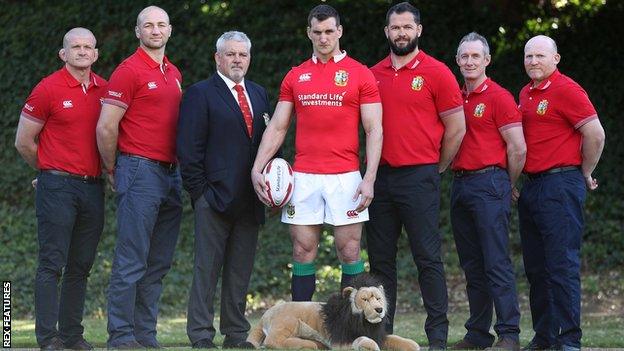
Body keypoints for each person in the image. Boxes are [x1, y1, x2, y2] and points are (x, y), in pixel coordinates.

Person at [251, 4, 383, 302]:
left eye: (329, 31)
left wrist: (370, 176)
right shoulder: (296, 75)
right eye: (317, 32)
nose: (323, 38)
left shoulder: (360, 74)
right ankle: (302, 326)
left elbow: (375, 129)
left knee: (349, 250)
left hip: (346, 176)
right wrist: (257, 168)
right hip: (304, 177)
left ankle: (350, 329)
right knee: (302, 250)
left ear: (339, 31)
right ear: (309, 33)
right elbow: (278, 128)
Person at [367, 2, 466, 349]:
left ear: (419, 30)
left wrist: (437, 165)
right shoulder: (372, 73)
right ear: (387, 32)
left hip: (420, 177)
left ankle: (437, 335)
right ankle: (384, 335)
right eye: (395, 28)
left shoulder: (438, 73)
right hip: (379, 179)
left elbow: (457, 127)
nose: (401, 33)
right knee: (380, 262)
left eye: (407, 27)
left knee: (427, 257)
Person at [96, 6, 183, 349]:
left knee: (158, 262)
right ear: (138, 32)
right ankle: (120, 336)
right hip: (139, 169)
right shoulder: (128, 71)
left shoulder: (173, 72)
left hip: (170, 174)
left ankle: (145, 334)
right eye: (148, 25)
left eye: (161, 24)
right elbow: (106, 126)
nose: (155, 30)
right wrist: (111, 168)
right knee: (132, 259)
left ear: (170, 30)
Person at [177, 31, 270, 349]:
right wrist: (200, 195)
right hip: (213, 198)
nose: (236, 60)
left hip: (251, 199)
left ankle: (235, 333)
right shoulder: (199, 94)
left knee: (239, 272)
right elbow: (188, 151)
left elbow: (269, 146)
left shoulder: (258, 94)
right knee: (207, 269)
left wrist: (274, 185)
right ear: (218, 58)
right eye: (230, 54)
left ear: (249, 58)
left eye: (242, 55)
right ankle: (201, 334)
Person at [14, 27, 106, 351]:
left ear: (95, 54)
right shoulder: (47, 89)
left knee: (81, 266)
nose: (82, 51)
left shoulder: (105, 91)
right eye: (75, 47)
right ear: (63, 54)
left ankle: (71, 335)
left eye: (88, 47)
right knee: (52, 264)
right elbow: (23, 141)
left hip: (93, 188)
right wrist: (48, 171)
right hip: (57, 187)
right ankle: (48, 338)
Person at [518, 35, 605, 351]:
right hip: (533, 186)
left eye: (540, 55)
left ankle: (569, 341)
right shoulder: (526, 93)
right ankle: (545, 337)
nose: (533, 62)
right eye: (529, 56)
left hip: (560, 184)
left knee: (562, 267)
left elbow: (595, 133)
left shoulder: (566, 89)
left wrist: (584, 171)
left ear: (556, 58)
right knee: (537, 270)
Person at [450, 32, 526, 351]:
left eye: (475, 57)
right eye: (464, 57)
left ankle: (509, 334)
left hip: (490, 181)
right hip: (460, 184)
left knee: (496, 263)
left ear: (486, 61)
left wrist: (506, 183)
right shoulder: (454, 97)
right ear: (458, 61)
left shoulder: (499, 97)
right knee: (472, 265)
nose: (469, 62)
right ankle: (478, 334)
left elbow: (518, 148)